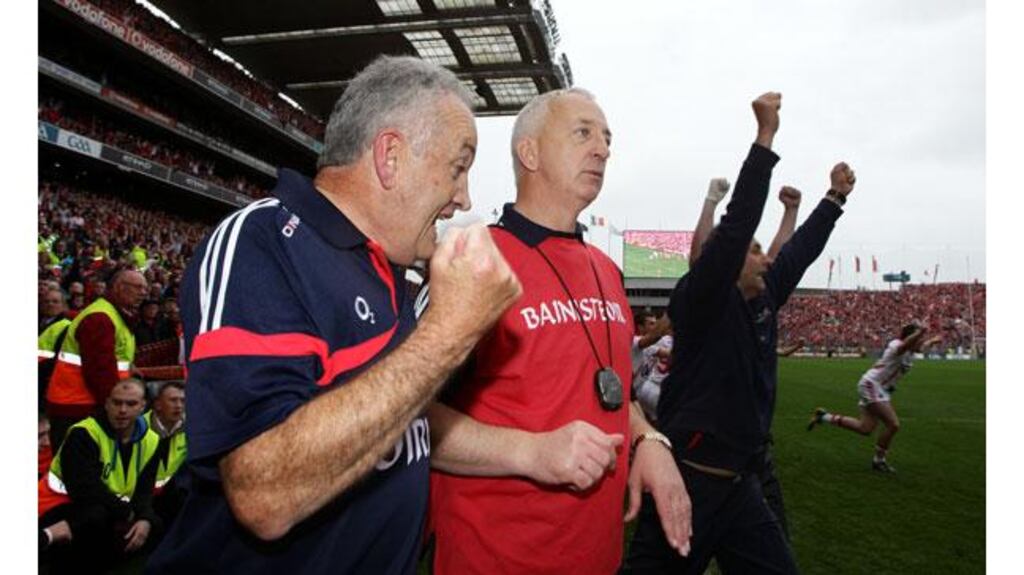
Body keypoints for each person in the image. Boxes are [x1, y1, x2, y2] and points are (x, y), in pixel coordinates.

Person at [145, 55, 521, 575]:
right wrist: (449, 333)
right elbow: (264, 494)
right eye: (457, 169)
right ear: (390, 155)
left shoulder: (392, 271)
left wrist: (539, 455)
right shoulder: (262, 241)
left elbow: (399, 421)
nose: (464, 198)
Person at [427, 88, 691, 575]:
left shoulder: (607, 271)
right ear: (529, 153)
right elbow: (409, 420)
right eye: (583, 133)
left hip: (598, 557)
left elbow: (617, 394)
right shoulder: (474, 259)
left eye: (607, 138)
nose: (603, 149)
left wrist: (648, 441)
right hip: (496, 560)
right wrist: (531, 452)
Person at [623, 92, 857, 574]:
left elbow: (802, 250)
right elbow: (734, 229)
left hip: (743, 484)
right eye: (754, 252)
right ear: (727, 264)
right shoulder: (704, 301)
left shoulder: (763, 297)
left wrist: (834, 198)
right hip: (689, 483)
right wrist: (764, 138)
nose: (766, 258)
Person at [38, 378, 161, 573]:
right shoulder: (84, 433)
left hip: (109, 508)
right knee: (96, 517)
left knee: (153, 524)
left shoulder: (152, 440)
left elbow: (145, 490)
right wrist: (128, 514)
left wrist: (144, 518)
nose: (122, 410)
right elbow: (85, 490)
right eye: (116, 402)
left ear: (143, 406)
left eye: (131, 404)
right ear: (106, 404)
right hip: (56, 507)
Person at [807, 324, 942, 472]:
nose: (921, 343)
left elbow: (920, 347)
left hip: (879, 389)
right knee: (893, 424)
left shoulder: (911, 350)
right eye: (919, 339)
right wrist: (920, 332)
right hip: (872, 385)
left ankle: (823, 416)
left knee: (865, 428)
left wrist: (933, 340)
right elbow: (904, 346)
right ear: (910, 338)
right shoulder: (896, 345)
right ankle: (879, 461)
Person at [46, 268, 148, 451]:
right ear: (119, 288)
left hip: (84, 404)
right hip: (79, 407)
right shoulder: (101, 318)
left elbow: (115, 360)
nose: (143, 293)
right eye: (138, 287)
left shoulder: (113, 315)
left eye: (144, 289)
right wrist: (118, 408)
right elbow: (99, 373)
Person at [144, 381, 187, 526]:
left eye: (183, 401)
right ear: (158, 404)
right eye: (173, 400)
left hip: (174, 495)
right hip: (141, 495)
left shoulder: (192, 429)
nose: (179, 406)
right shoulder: (138, 429)